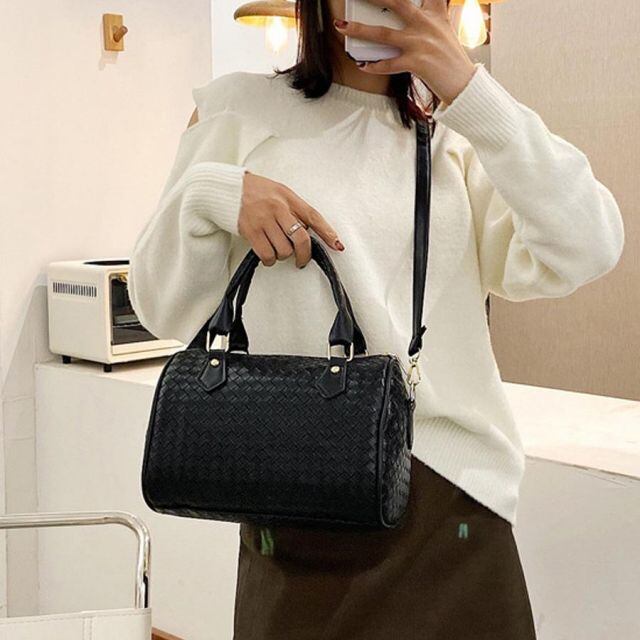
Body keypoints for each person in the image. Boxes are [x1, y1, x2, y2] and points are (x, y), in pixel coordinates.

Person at [128, 0, 625, 637]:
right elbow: (159, 305)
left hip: (450, 505)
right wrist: (213, 194)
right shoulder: (236, 110)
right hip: (293, 506)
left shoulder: (456, 137)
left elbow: (589, 245)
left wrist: (470, 90)